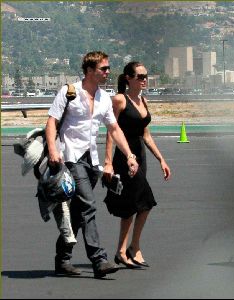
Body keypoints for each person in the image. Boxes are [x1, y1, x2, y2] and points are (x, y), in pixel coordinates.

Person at [45, 51, 139, 278]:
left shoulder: (104, 98)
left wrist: (129, 155)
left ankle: (62, 259)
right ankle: (99, 260)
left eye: (108, 68)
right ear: (89, 70)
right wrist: (53, 150)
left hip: (92, 161)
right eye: (103, 68)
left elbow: (114, 128)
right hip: (70, 158)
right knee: (88, 205)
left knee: (78, 214)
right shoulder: (69, 92)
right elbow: (51, 122)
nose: (108, 72)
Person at [103, 61, 171, 269]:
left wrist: (161, 159)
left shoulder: (144, 101)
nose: (144, 80)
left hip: (140, 156)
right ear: (128, 78)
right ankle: (132, 247)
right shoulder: (119, 100)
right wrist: (108, 162)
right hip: (125, 158)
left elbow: (146, 135)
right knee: (145, 202)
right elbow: (111, 131)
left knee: (134, 205)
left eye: (145, 76)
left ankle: (123, 250)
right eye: (140, 76)